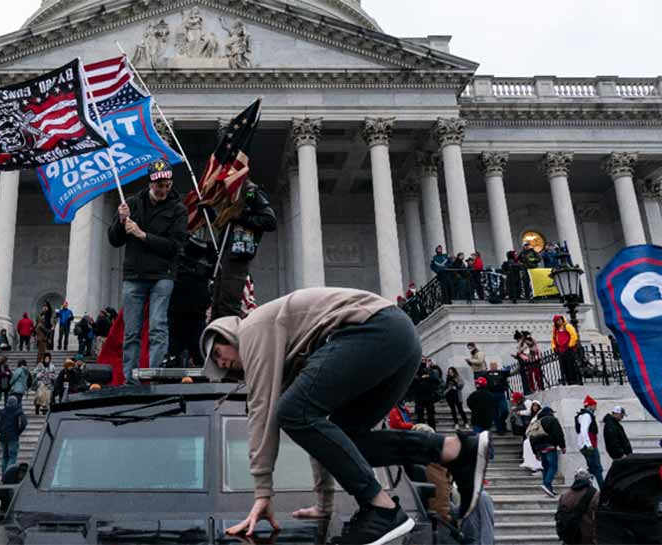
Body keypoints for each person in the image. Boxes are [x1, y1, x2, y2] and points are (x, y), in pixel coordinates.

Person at [200, 287, 490, 544]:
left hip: (375, 330)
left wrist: (262, 493)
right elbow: (322, 438)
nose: (222, 363)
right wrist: (325, 504)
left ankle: (382, 509)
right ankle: (454, 450)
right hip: (398, 339)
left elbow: (262, 413)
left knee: (290, 411)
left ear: (226, 334)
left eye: (217, 354)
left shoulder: (252, 329)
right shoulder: (288, 353)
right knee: (346, 438)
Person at [108, 158, 188, 384]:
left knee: (157, 327)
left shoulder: (178, 209)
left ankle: (155, 378)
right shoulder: (132, 203)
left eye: (166, 185)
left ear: (170, 183)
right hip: (134, 275)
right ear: (150, 182)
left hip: (162, 275)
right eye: (158, 185)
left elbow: (175, 247)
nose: (162, 189)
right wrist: (121, 220)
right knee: (131, 332)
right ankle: (130, 380)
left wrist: (142, 235)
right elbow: (114, 240)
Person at [210, 178, 276, 320]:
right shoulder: (230, 198)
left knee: (228, 305)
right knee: (217, 304)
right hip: (224, 255)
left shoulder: (251, 193)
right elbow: (225, 225)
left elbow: (270, 221)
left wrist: (241, 216)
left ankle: (230, 339)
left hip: (238, 257)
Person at [169, 236, 216, 367]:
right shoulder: (181, 262)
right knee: (183, 347)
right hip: (183, 311)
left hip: (193, 312)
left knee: (194, 348)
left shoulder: (202, 266)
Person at [529, 404, 566, 497]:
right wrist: (562, 446)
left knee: (546, 467)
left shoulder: (536, 422)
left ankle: (548, 488)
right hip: (550, 447)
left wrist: (535, 452)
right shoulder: (552, 420)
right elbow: (559, 434)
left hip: (540, 449)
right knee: (553, 467)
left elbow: (531, 438)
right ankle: (546, 483)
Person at [556, 468, 599, 545]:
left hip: (569, 536)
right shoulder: (595, 495)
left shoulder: (565, 496)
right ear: (589, 480)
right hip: (588, 537)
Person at [576, 396, 604, 487]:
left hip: (585, 446)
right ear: (590, 406)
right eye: (594, 405)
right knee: (597, 469)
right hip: (589, 446)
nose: (596, 407)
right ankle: (603, 490)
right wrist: (588, 444)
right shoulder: (587, 416)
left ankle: (584, 486)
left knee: (592, 469)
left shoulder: (583, 415)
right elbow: (584, 430)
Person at [0, 396, 27, 476]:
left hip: (3, 436)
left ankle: (3, 474)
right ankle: (8, 475)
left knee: (5, 456)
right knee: (12, 456)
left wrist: (0, 430)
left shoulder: (2, 411)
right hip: (13, 436)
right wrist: (18, 432)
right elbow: (24, 423)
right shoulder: (19, 411)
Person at [552, 314, 581, 385]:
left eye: (560, 320)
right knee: (564, 366)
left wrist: (570, 345)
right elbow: (553, 340)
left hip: (569, 349)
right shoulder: (556, 330)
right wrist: (555, 348)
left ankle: (574, 380)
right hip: (561, 350)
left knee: (571, 365)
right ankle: (568, 380)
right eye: (557, 321)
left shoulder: (567, 326)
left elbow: (573, 335)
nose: (559, 321)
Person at [411, 360, 440, 429]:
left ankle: (432, 430)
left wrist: (430, 371)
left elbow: (436, 381)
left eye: (425, 360)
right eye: (423, 361)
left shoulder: (431, 372)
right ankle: (421, 431)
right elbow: (413, 382)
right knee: (420, 416)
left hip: (428, 397)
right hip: (420, 398)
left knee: (430, 416)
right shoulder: (416, 372)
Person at [485, 361, 510, 435]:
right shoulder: (486, 374)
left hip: (501, 394)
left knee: (505, 410)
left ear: (496, 365)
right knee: (495, 414)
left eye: (494, 365)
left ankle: (502, 422)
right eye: (491, 365)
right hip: (491, 394)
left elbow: (508, 374)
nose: (493, 366)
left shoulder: (501, 373)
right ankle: (499, 429)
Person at [519, 400, 543, 473]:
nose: (535, 407)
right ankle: (533, 466)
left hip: (537, 436)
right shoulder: (532, 414)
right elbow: (527, 412)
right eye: (533, 405)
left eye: (536, 406)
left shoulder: (539, 415)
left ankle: (538, 468)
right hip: (531, 437)